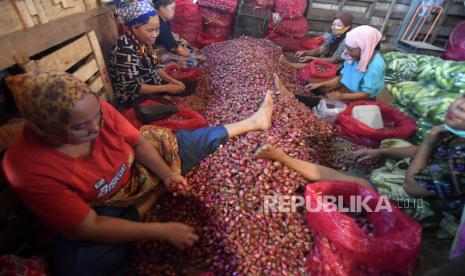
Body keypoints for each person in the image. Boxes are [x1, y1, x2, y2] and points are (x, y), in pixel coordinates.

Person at [2, 71, 274, 275]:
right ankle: (149, 202)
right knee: (78, 265)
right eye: (81, 127)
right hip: (103, 208)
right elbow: (86, 228)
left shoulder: (102, 113)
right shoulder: (28, 167)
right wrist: (161, 231)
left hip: (138, 170)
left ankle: (252, 122)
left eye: (97, 115)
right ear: (46, 129)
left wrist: (168, 175)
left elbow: (138, 142)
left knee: (190, 142)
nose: (96, 127)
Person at [277, 25, 386, 108]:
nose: (347, 52)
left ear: (364, 48)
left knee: (325, 103)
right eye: (347, 48)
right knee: (312, 84)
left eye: (351, 50)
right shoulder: (353, 57)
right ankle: (313, 92)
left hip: (359, 100)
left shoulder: (375, 66)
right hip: (345, 89)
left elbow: (366, 94)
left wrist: (341, 96)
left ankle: (291, 96)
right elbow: (341, 78)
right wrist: (320, 84)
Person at [109, 0, 186, 109]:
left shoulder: (144, 42)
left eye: (157, 29)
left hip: (152, 88)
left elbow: (155, 68)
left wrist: (172, 81)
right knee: (174, 106)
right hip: (134, 98)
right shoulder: (125, 49)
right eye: (150, 30)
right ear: (134, 27)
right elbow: (133, 87)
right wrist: (166, 88)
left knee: (187, 85)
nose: (155, 34)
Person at [289, 11, 353, 68]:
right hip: (328, 59)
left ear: (347, 27)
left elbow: (333, 60)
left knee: (308, 66)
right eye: (333, 25)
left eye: (339, 25)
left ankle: (290, 65)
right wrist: (305, 52)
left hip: (339, 66)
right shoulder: (334, 36)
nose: (334, 28)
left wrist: (311, 58)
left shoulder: (347, 41)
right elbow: (320, 49)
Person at [152, 0, 206, 67]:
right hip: (157, 53)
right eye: (172, 9)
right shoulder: (161, 25)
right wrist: (193, 56)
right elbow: (174, 48)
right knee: (193, 62)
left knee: (186, 46)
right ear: (162, 8)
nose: (174, 12)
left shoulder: (163, 19)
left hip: (166, 46)